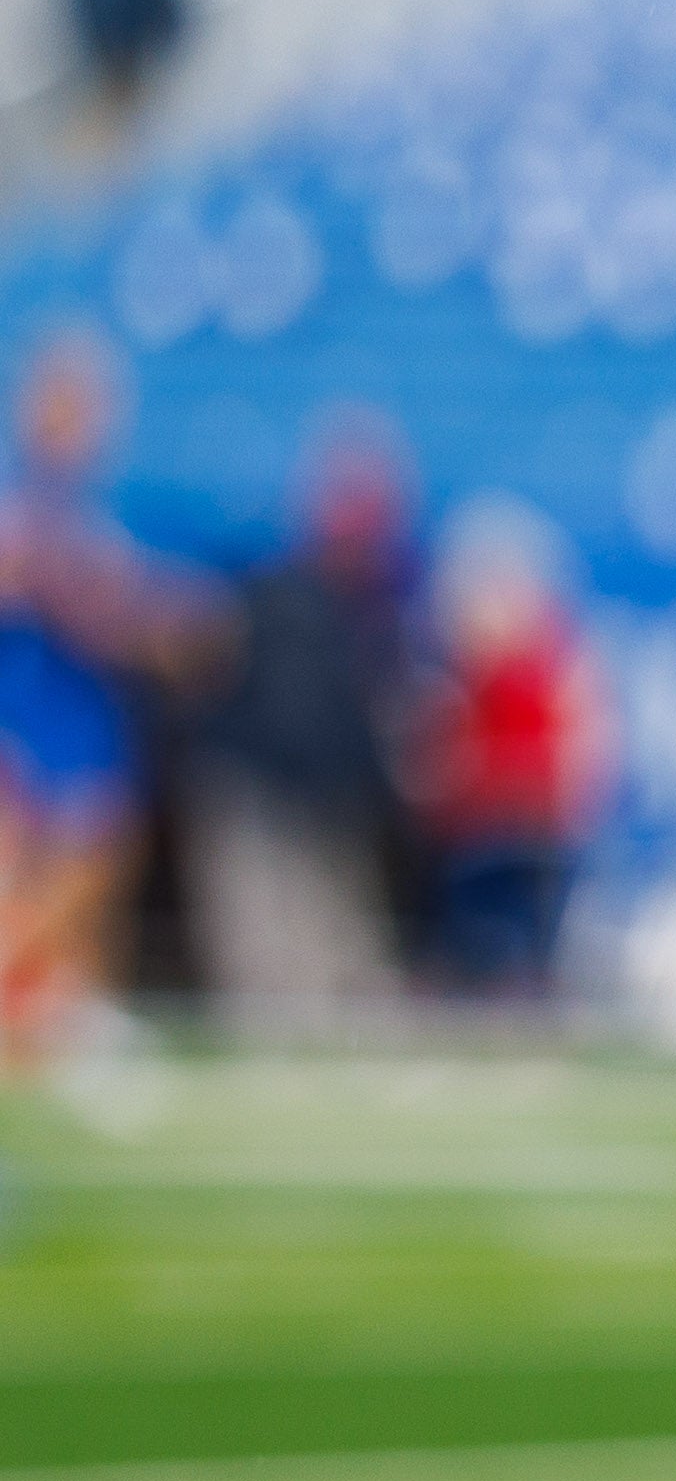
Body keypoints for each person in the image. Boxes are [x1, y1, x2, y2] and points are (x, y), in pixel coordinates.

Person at [0, 328, 210, 1067]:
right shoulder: (27, 509)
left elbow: (169, 628)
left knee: (94, 879)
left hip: (88, 731)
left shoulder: (97, 514)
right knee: (35, 892)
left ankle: (69, 1017)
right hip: (27, 728)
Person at [187, 412, 425, 1029]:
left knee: (336, 966)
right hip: (258, 797)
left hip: (330, 812)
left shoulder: (383, 607)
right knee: (264, 967)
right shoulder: (273, 593)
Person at [411, 496, 606, 998]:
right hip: (478, 837)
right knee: (478, 940)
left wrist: (567, 804)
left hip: (532, 834)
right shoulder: (461, 676)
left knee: (530, 942)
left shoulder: (554, 666)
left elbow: (582, 746)